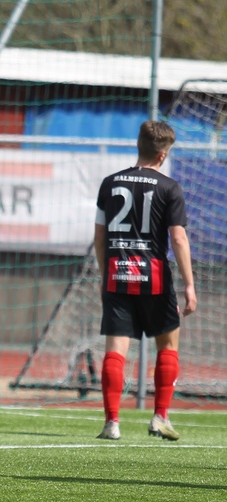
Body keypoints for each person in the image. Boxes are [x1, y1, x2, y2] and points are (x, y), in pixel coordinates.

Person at [94, 120, 197, 441]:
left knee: (115, 350)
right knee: (167, 346)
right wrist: (189, 284)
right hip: (153, 278)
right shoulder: (169, 188)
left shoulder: (109, 183)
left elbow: (99, 236)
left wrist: (103, 273)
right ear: (163, 155)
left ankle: (112, 423)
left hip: (117, 274)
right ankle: (160, 418)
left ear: (138, 146)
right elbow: (178, 239)